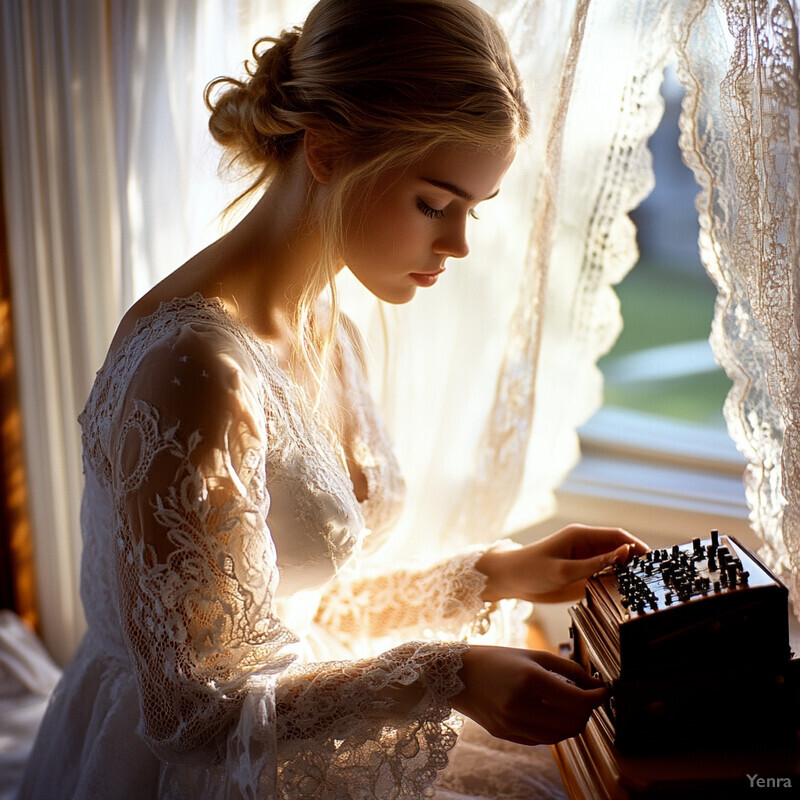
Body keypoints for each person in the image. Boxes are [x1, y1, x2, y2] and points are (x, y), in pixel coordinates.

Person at [16, 1, 646, 798]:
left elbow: (279, 599)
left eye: (471, 211)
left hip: (278, 726)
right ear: (327, 149)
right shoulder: (195, 371)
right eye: (433, 204)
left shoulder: (327, 326)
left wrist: (499, 573)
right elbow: (192, 714)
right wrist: (449, 677)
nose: (456, 245)